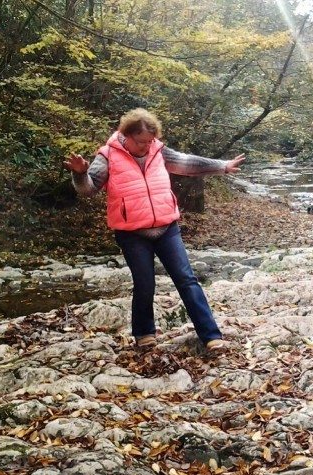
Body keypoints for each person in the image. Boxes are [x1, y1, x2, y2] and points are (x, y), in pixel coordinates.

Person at [64, 108, 246, 351]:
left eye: (150, 141)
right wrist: (80, 173)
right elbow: (88, 189)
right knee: (145, 283)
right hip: (131, 232)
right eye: (141, 142)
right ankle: (144, 334)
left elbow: (187, 163)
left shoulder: (158, 151)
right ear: (125, 135)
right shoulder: (108, 156)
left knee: (187, 279)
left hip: (166, 226)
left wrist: (221, 166)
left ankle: (211, 337)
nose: (145, 146)